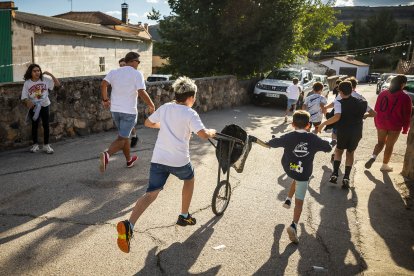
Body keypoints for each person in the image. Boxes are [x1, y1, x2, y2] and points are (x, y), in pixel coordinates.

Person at [115, 76, 216, 253]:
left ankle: (129, 224)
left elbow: (148, 123)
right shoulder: (190, 113)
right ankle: (184, 215)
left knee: (151, 193)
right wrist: (211, 132)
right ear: (191, 97)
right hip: (179, 160)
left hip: (159, 159)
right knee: (189, 179)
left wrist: (166, 126)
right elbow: (202, 134)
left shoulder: (166, 107)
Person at [267, 110, 331, 244]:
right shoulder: (313, 138)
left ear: (292, 124)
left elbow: (272, 143)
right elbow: (327, 147)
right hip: (303, 173)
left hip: (289, 169)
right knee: (300, 202)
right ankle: (294, 225)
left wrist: (271, 140)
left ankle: (288, 199)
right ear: (309, 125)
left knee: (295, 179)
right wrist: (331, 143)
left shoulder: (288, 137)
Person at [100, 52, 155, 173]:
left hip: (115, 110)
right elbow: (141, 91)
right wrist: (151, 104)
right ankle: (107, 155)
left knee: (124, 137)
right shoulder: (137, 74)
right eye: (138, 62)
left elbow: (103, 84)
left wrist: (105, 100)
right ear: (133, 61)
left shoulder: (114, 72)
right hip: (129, 112)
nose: (138, 64)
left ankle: (129, 160)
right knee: (122, 138)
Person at [318, 81, 368, 188]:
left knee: (339, 150)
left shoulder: (339, 102)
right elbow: (373, 113)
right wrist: (363, 116)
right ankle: (346, 177)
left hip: (344, 131)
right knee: (350, 153)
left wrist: (323, 124)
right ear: (351, 89)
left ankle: (335, 174)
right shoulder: (362, 102)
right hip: (356, 131)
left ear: (340, 91)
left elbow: (337, 117)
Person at [365, 75, 412, 172]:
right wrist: (405, 129)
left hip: (381, 123)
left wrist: (377, 122)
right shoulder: (405, 97)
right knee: (389, 145)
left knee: (380, 143)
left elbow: (376, 109)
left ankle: (373, 157)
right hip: (395, 125)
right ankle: (384, 165)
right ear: (402, 84)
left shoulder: (382, 94)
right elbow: (407, 115)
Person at [21, 64, 60, 154]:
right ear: (30, 72)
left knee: (46, 125)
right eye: (34, 71)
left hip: (45, 105)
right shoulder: (27, 83)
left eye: (38, 70)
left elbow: (57, 84)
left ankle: (46, 145)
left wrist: (50, 74)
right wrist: (27, 102)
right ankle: (35, 145)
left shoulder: (45, 80)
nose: (37, 72)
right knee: (34, 125)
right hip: (34, 107)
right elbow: (24, 97)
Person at [118, 57, 139, 148]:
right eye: (120, 65)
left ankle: (132, 137)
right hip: (120, 101)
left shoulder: (133, 74)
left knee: (129, 122)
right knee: (125, 122)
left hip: (130, 101)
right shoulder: (118, 75)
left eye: (123, 65)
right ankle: (130, 137)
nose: (122, 67)